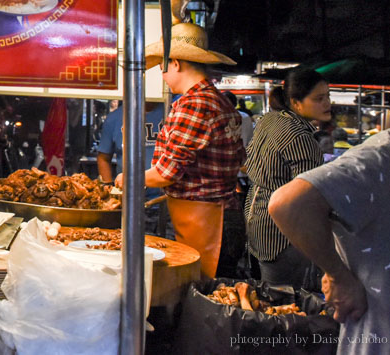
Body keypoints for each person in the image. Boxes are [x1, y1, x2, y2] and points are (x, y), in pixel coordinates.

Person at [116, 22, 245, 279]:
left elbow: (167, 173)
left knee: (204, 303)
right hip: (215, 216)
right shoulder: (214, 98)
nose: (162, 74)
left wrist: (128, 179)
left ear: (175, 63)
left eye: (162, 67)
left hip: (210, 223)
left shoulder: (194, 104)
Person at [268, 127, 390, 353]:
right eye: (319, 98)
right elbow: (288, 204)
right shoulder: (381, 157)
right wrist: (337, 275)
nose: (325, 103)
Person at [245, 69, 331, 289]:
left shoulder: (269, 119)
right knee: (283, 305)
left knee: (268, 298)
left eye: (327, 96)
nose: (327, 103)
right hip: (283, 235)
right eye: (319, 98)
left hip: (256, 221)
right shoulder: (301, 138)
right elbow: (308, 198)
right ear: (296, 102)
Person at [96, 101, 166, 183]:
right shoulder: (114, 118)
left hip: (165, 191)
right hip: (127, 191)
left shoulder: (171, 113)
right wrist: (108, 186)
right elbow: (103, 158)